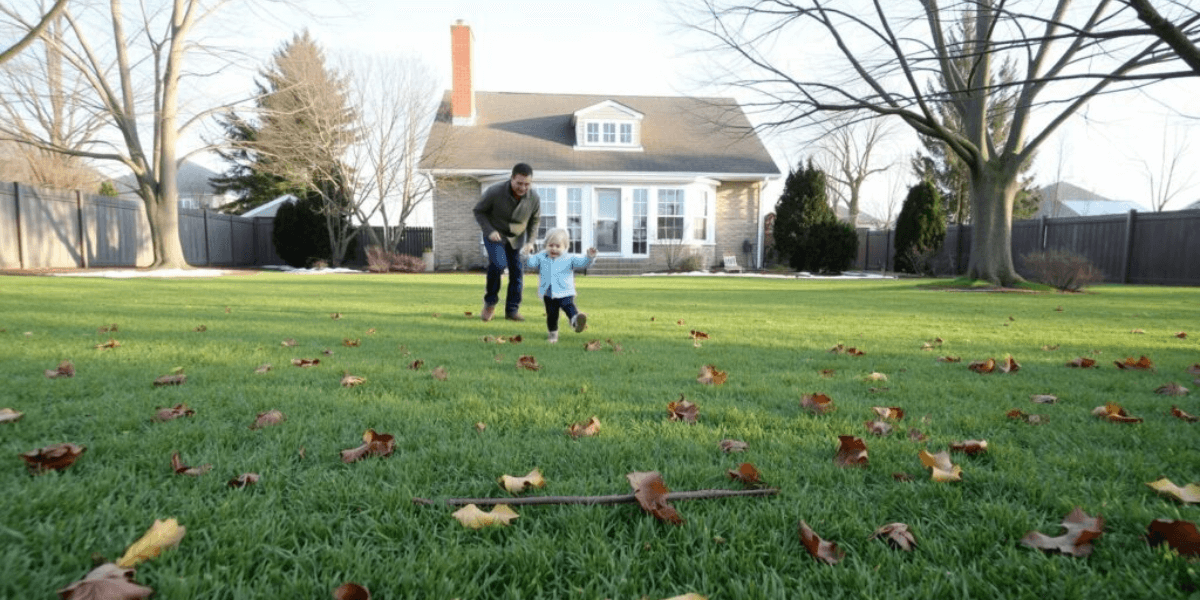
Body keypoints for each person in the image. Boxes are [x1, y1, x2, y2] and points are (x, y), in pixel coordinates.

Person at [473, 163, 540, 322]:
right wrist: (489, 230)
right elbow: (479, 211)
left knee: (517, 273)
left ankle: (512, 310)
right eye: (519, 183)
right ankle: (490, 303)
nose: (523, 187)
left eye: (527, 184)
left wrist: (530, 242)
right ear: (512, 179)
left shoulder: (534, 198)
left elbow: (534, 221)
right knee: (498, 264)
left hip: (517, 239)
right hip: (495, 235)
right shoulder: (495, 191)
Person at [523, 228, 597, 343]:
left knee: (569, 306)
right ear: (545, 245)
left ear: (565, 247)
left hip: (565, 292)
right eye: (551, 245)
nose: (554, 249)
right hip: (548, 293)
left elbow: (584, 263)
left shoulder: (569, 258)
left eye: (558, 246)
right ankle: (553, 334)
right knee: (552, 315)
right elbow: (530, 263)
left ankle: (576, 321)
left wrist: (590, 257)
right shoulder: (542, 256)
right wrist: (526, 253)